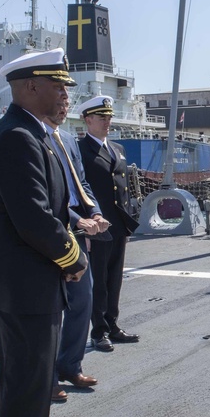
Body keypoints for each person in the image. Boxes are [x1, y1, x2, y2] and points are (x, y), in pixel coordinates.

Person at [0, 48, 87, 417]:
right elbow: (34, 219)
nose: (67, 96)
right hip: (23, 286)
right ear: (30, 88)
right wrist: (73, 257)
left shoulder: (35, 135)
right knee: (25, 390)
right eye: (59, 86)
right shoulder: (18, 138)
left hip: (30, 284)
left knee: (35, 385)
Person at [44, 105, 111, 402]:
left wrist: (95, 213)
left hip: (76, 234)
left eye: (65, 102)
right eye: (57, 98)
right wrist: (75, 218)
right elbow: (44, 196)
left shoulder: (68, 140)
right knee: (50, 310)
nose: (62, 106)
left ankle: (70, 365)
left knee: (83, 299)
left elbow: (81, 184)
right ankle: (46, 379)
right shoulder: (34, 139)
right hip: (50, 231)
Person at [78, 96, 140, 352]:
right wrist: (86, 230)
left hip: (117, 224)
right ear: (87, 120)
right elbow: (80, 189)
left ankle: (112, 324)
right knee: (99, 280)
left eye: (109, 117)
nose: (107, 122)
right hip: (97, 225)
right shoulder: (80, 151)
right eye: (102, 118)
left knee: (115, 277)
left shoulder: (117, 149)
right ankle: (99, 330)